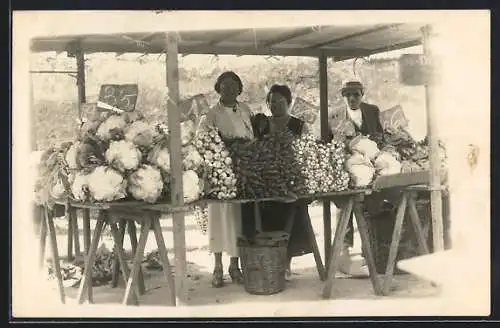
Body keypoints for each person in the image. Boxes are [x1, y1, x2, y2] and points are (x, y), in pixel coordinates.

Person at [241, 84, 314, 281]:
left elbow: (307, 150)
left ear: (289, 103)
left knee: (290, 210)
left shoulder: (299, 125)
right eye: (272, 102)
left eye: (280, 101)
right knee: (259, 211)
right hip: (268, 180)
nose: (275, 105)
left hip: (292, 179)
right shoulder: (262, 123)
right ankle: (265, 261)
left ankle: (286, 261)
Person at [197, 71, 255, 287]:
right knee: (218, 221)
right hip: (220, 176)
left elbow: (254, 136)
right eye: (224, 86)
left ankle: (235, 265)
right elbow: (203, 142)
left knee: (237, 221)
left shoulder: (246, 110)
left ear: (239, 89)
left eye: (233, 85)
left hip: (242, 172)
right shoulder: (211, 115)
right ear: (218, 88)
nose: (229, 89)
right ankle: (218, 267)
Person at [333, 80, 385, 277]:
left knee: (370, 207)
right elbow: (331, 140)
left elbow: (380, 134)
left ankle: (369, 252)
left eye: (356, 94)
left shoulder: (372, 111)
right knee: (345, 207)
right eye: (348, 95)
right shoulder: (336, 115)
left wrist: (372, 144)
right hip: (350, 166)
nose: (352, 98)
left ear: (362, 95)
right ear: (343, 97)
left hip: (370, 163)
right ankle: (343, 251)